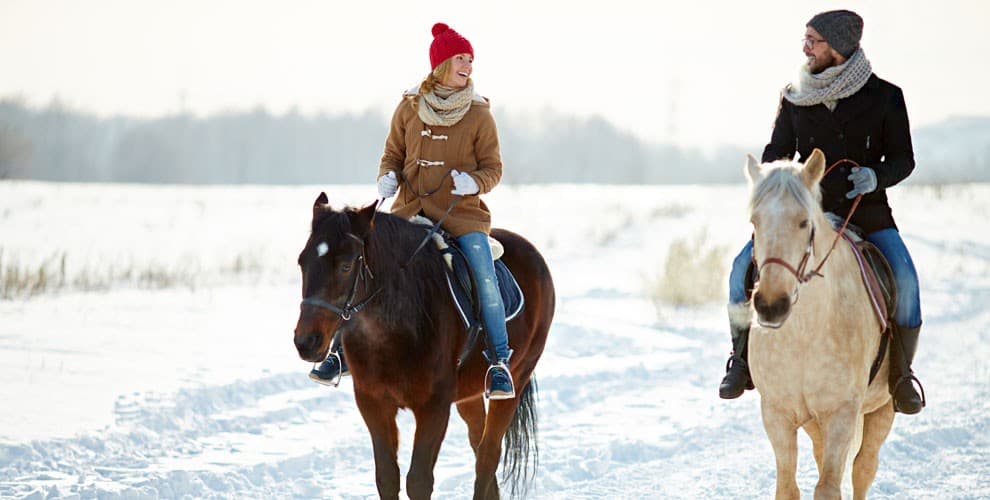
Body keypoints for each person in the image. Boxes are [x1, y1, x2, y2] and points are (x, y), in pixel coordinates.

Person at [718, 10, 925, 414]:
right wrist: (784, 177)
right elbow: (775, 153)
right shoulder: (793, 95)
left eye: (813, 40)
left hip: (867, 213)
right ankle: (741, 363)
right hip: (801, 217)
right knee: (740, 269)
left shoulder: (886, 96)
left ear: (839, 47)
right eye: (806, 39)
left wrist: (874, 176)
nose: (805, 47)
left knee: (906, 279)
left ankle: (900, 377)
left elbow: (904, 159)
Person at [310, 22, 515, 399]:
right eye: (460, 59)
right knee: (360, 265)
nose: (468, 65)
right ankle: (338, 353)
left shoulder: (479, 114)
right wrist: (387, 176)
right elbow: (392, 155)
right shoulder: (408, 108)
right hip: (407, 212)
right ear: (440, 65)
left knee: (484, 276)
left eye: (470, 59)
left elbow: (493, 169)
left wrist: (474, 183)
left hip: (461, 216)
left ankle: (499, 363)